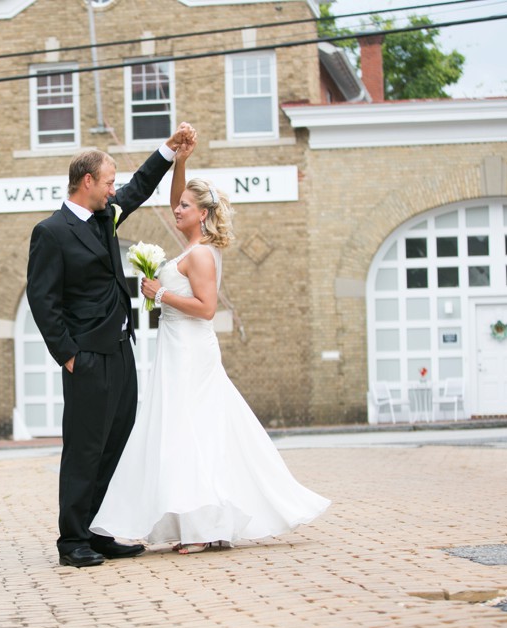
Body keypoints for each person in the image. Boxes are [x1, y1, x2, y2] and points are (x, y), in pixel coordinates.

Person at [90, 141, 331, 554]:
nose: (177, 209)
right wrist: (179, 162)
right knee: (188, 434)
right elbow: (173, 196)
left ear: (203, 214)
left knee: (189, 433)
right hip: (175, 349)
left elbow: (206, 309)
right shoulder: (192, 248)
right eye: (178, 204)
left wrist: (161, 294)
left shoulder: (200, 255)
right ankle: (204, 522)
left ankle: (202, 527)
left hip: (190, 351)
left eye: (185, 205)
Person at [26, 123, 198, 568]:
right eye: (107, 182)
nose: (113, 189)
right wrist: (68, 355)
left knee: (115, 441)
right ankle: (72, 542)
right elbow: (43, 302)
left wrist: (169, 150)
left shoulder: (105, 215)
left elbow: (139, 186)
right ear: (87, 182)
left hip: (121, 349)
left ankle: (96, 529)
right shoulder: (52, 232)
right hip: (85, 358)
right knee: (84, 448)